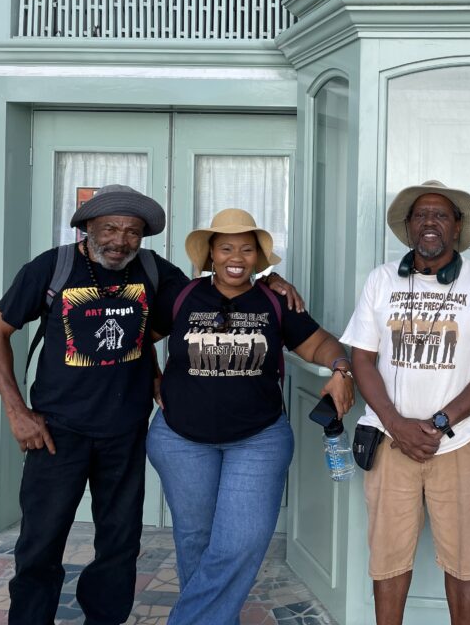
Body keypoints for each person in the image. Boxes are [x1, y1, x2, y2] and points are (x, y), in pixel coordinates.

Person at [0, 185, 302, 625]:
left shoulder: (153, 270)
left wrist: (270, 283)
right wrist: (17, 412)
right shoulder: (52, 268)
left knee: (118, 546)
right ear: (87, 227)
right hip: (56, 431)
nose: (121, 239)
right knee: (41, 542)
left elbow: (216, 290)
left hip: (126, 430)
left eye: (132, 231)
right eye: (110, 227)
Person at [146, 208, 355, 625]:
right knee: (195, 540)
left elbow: (321, 344)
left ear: (258, 258)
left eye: (246, 248)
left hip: (257, 440)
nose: (235, 256)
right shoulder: (182, 296)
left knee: (239, 543)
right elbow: (138, 339)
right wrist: (153, 377)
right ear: (210, 255)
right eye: (226, 248)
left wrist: (341, 370)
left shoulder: (276, 301)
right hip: (180, 439)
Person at [341, 180, 470, 625]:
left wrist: (439, 422)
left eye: (441, 214)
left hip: (463, 444)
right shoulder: (381, 280)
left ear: (457, 227)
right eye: (421, 214)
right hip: (390, 440)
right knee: (387, 557)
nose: (430, 222)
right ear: (407, 227)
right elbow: (361, 359)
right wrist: (396, 423)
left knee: (466, 559)